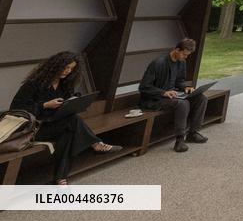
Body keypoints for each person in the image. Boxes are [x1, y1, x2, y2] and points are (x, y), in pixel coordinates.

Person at [10, 52, 121, 185]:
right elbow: (16, 108)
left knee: (68, 133)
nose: (67, 71)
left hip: (56, 124)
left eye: (70, 69)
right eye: (65, 67)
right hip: (35, 129)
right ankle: (96, 144)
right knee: (72, 121)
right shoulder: (33, 84)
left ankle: (60, 178)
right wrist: (45, 105)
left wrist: (74, 102)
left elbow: (66, 103)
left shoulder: (65, 84)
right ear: (54, 66)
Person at [139, 38, 207, 153]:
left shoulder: (181, 62)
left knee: (201, 98)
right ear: (176, 50)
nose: (185, 57)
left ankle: (193, 133)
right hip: (155, 99)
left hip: (173, 96)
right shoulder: (158, 63)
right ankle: (180, 140)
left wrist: (186, 88)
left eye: (187, 55)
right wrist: (163, 92)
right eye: (184, 54)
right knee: (183, 103)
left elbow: (179, 81)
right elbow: (144, 87)